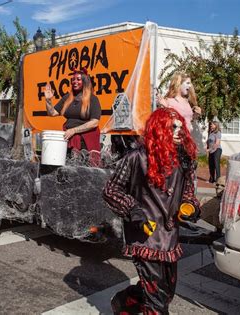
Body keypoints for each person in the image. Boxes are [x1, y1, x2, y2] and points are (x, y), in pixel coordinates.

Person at [103, 107, 200, 314]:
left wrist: (190, 207)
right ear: (159, 128)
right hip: (145, 234)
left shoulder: (185, 160)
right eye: (172, 127)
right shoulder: (136, 158)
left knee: (165, 293)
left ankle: (123, 302)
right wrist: (134, 210)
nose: (179, 131)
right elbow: (111, 190)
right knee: (157, 303)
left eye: (181, 127)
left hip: (169, 236)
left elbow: (189, 194)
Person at [44, 67, 101, 152]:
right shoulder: (67, 98)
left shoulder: (93, 99)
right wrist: (48, 100)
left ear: (85, 82)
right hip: (68, 137)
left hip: (86, 140)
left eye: (78, 79)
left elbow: (94, 122)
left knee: (83, 164)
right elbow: (52, 113)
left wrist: (74, 130)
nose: (75, 82)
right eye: (73, 79)